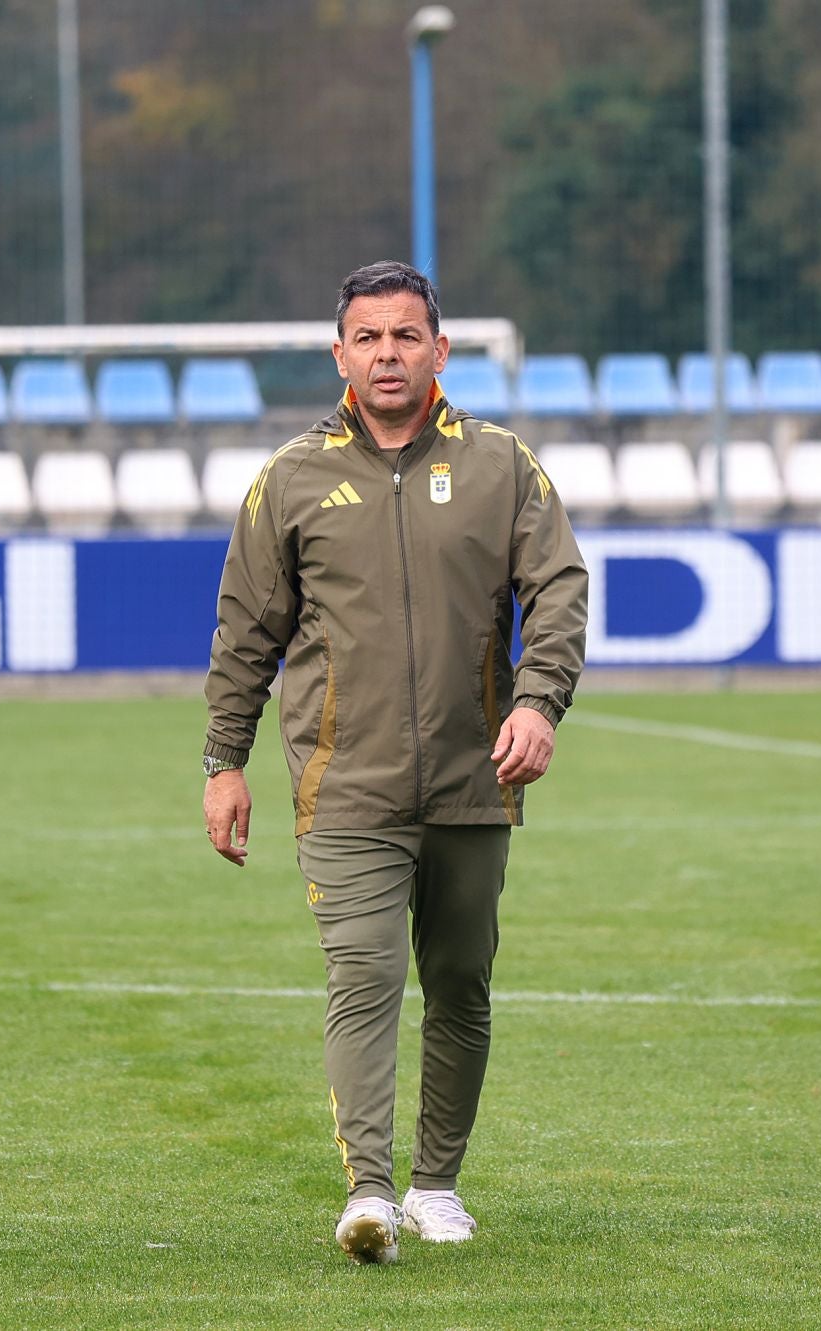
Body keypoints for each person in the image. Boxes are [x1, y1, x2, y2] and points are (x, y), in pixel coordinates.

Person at [201, 260, 588, 1264]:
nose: (387, 353)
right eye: (367, 338)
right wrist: (223, 759)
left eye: (405, 335)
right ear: (340, 354)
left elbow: (558, 588)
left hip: (476, 779)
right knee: (364, 974)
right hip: (347, 787)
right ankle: (369, 1192)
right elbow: (247, 628)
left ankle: (436, 1184)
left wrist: (541, 702)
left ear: (440, 349)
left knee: (459, 983)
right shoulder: (288, 477)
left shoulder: (504, 464)